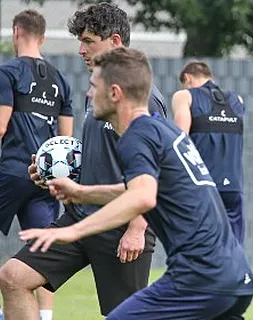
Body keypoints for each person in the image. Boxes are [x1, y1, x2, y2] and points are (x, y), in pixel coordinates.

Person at [20, 46, 253, 320]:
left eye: (94, 86)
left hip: (200, 279)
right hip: (235, 276)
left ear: (115, 93)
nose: (89, 93)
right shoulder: (162, 129)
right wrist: (81, 193)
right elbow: (145, 189)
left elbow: (142, 197)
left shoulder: (137, 136)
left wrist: (73, 232)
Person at [0, 3, 167, 319]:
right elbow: (99, 157)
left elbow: (155, 169)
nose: (80, 49)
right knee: (13, 277)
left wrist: (137, 226)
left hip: (122, 226)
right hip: (78, 219)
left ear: (115, 41)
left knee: (123, 316)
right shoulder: (98, 93)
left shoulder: (143, 98)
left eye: (89, 41)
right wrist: (53, 173)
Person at [0, 9, 74, 320]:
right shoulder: (60, 79)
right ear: (42, 37)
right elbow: (66, 142)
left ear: (16, 32)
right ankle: (44, 316)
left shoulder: (7, 73)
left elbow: (0, 126)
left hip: (10, 171)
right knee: (42, 250)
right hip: (46, 180)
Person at [171, 61, 246, 245]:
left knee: (198, 249)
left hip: (201, 186)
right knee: (233, 249)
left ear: (187, 78)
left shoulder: (184, 96)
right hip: (233, 188)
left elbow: (180, 141)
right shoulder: (237, 100)